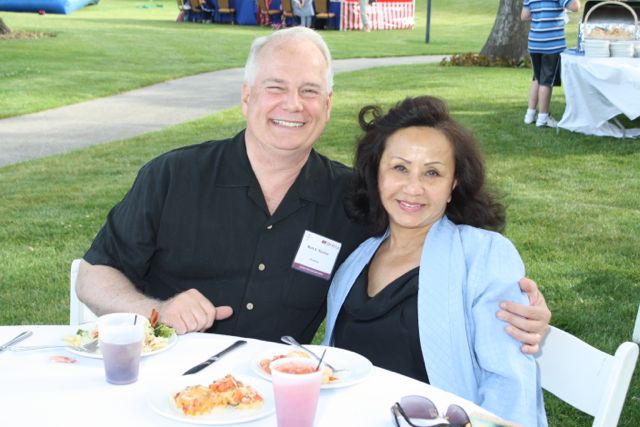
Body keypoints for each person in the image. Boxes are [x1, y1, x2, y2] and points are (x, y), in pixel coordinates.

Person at [76, 27, 550, 351]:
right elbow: (93, 277)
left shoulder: (353, 198)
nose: (293, 105)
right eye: (275, 88)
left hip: (276, 395)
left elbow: (429, 230)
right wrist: (156, 310)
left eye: (309, 91)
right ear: (246, 97)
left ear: (327, 104)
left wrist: (510, 301)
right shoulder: (173, 176)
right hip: (161, 382)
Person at [322, 96, 546, 426]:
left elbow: (510, 386)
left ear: (453, 185)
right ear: (377, 174)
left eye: (432, 173)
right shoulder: (356, 260)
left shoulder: (482, 256)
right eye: (400, 168)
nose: (414, 188)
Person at [521, 0, 580, 128]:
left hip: (535, 42)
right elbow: (575, 7)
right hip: (552, 45)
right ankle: (543, 118)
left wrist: (541, 18)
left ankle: (530, 115)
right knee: (546, 82)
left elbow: (524, 16)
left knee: (537, 78)